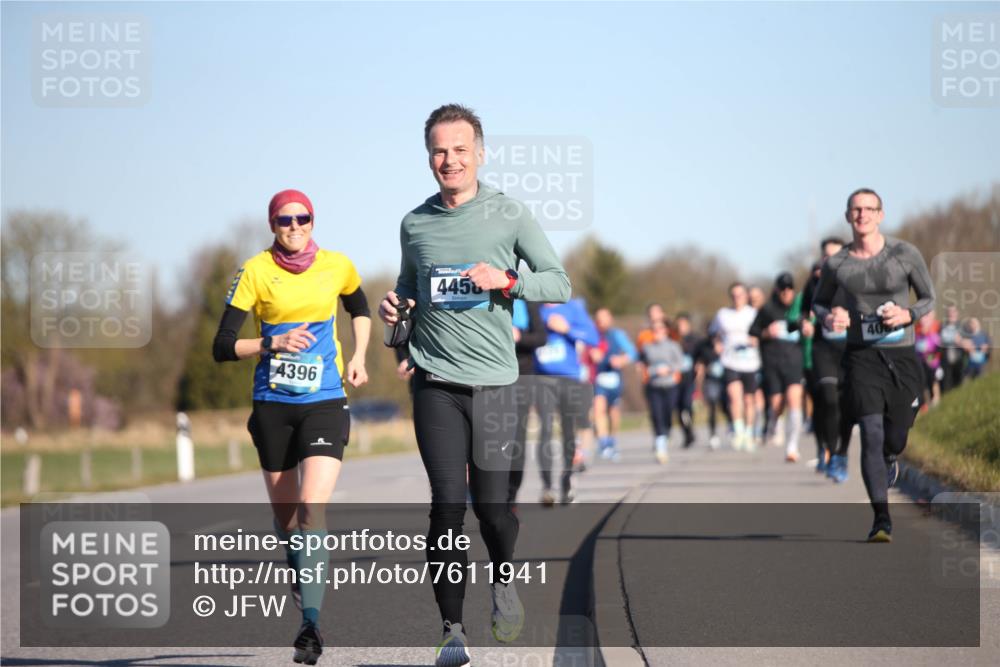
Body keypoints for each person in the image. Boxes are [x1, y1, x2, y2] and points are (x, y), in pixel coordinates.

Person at [378, 104, 570, 665]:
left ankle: (503, 578)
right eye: (440, 150)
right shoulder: (414, 224)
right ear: (428, 157)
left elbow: (559, 283)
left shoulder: (509, 214)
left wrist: (508, 280)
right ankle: (451, 631)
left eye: (460, 149)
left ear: (480, 154)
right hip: (435, 383)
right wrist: (395, 309)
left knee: (491, 510)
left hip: (495, 385)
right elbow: (409, 289)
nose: (450, 160)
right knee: (446, 505)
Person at [212, 188, 371, 665]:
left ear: (313, 221)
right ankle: (300, 567)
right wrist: (270, 341)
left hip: (324, 401)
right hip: (272, 406)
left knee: (311, 509)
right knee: (287, 524)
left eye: (303, 218)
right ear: (273, 225)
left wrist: (360, 355)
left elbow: (359, 306)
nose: (295, 226)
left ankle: (311, 624)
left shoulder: (337, 265)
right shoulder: (255, 271)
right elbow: (221, 346)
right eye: (286, 220)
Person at [812, 188, 935, 543]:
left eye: (869, 209)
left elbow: (929, 298)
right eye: (856, 210)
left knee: (894, 435)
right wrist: (830, 315)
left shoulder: (904, 254)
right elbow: (819, 305)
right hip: (861, 356)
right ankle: (881, 518)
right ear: (848, 216)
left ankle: (889, 457)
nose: (862, 215)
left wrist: (907, 314)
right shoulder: (838, 264)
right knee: (870, 430)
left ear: (880, 214)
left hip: (901, 356)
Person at [800, 237, 854, 482]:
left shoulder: (857, 281)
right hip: (824, 349)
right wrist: (805, 324)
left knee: (846, 406)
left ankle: (841, 452)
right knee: (828, 399)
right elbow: (804, 312)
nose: (828, 260)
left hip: (850, 348)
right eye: (825, 256)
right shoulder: (814, 283)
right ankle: (829, 453)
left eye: (834, 255)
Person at [533, 298, 598, 503]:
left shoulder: (573, 308)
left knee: (569, 431)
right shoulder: (533, 309)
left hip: (570, 379)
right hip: (542, 379)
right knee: (544, 430)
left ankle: (567, 479)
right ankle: (547, 486)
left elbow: (593, 338)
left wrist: (566, 328)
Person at [750, 272, 805, 462]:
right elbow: (753, 331)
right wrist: (766, 332)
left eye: (789, 289)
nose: (786, 293)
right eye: (782, 289)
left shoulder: (800, 308)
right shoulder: (768, 309)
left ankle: (792, 446)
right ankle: (775, 422)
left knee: (794, 400)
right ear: (776, 290)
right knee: (776, 404)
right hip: (772, 362)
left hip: (794, 361)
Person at [506, 299, 549, 509]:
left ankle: (510, 497)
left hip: (521, 375)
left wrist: (520, 336)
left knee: (516, 438)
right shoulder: (480, 294)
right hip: (487, 376)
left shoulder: (526, 301)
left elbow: (541, 337)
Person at [710, 283, 761, 451]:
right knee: (734, 397)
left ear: (746, 296)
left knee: (749, 400)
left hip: (750, 362)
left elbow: (762, 334)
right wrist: (717, 344)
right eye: (734, 295)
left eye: (740, 295)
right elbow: (714, 334)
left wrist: (756, 340)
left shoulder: (753, 314)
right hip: (730, 361)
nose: (737, 298)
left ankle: (748, 432)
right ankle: (738, 432)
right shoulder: (723, 314)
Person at [588, 307, 637, 461]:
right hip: (599, 379)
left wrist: (622, 360)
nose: (601, 322)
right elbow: (583, 351)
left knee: (614, 412)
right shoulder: (593, 335)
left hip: (614, 379)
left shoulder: (617, 335)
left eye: (604, 318)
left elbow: (632, 352)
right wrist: (591, 355)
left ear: (610, 319)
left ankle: (612, 440)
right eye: (598, 319)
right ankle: (604, 444)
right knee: (598, 409)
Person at [638, 318, 685, 463]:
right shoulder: (647, 347)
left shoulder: (673, 346)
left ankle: (666, 434)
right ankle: (660, 445)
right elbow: (641, 364)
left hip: (670, 384)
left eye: (660, 329)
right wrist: (652, 371)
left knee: (667, 413)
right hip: (654, 385)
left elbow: (680, 364)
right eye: (654, 330)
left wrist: (669, 369)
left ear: (665, 330)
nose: (657, 332)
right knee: (656, 414)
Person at [695, 329, 731, 449]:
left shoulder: (728, 343)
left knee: (726, 406)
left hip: (726, 380)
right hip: (711, 381)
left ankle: (732, 426)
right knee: (712, 407)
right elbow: (700, 364)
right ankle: (713, 434)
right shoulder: (704, 347)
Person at [673, 313, 700, 448]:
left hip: (690, 378)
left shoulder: (695, 339)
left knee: (687, 405)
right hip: (676, 378)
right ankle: (687, 434)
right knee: (679, 408)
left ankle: (690, 428)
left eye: (683, 324)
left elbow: (701, 355)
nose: (681, 327)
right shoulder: (673, 339)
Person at [915, 311, 943, 408]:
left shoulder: (933, 333)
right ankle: (926, 403)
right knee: (924, 382)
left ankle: (936, 398)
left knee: (933, 380)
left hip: (932, 361)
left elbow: (938, 347)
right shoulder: (917, 333)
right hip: (920, 361)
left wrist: (930, 357)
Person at [939, 305, 966, 392]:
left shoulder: (963, 327)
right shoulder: (941, 326)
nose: (951, 314)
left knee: (959, 384)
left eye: (953, 312)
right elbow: (938, 340)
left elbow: (968, 342)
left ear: (957, 313)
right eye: (949, 312)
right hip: (945, 360)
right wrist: (954, 339)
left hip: (959, 359)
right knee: (946, 386)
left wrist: (962, 341)